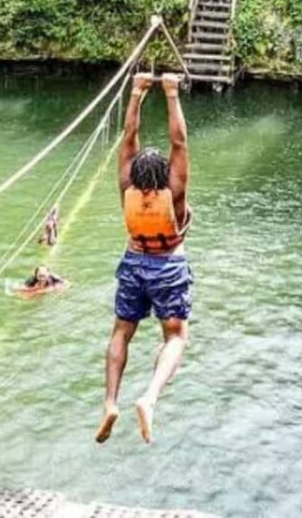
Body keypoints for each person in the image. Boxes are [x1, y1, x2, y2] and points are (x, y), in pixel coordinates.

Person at [96, 72, 192, 445]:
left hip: (134, 263)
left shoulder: (126, 187)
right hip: (168, 265)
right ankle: (149, 398)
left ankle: (110, 402)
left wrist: (136, 91)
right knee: (176, 336)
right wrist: (171, 93)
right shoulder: (175, 190)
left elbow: (129, 137)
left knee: (122, 331)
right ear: (165, 174)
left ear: (134, 173)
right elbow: (179, 141)